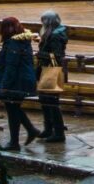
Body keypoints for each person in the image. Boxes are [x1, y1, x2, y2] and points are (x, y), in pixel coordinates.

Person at [0, 17, 42, 151]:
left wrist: (4, 86)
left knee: (13, 109)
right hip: (22, 80)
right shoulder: (22, 40)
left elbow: (11, 66)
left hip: (16, 82)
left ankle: (15, 142)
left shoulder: (13, 43)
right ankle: (30, 130)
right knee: (14, 108)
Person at [36, 10, 68, 142]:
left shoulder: (55, 36)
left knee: (51, 103)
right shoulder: (51, 33)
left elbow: (57, 55)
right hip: (47, 70)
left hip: (52, 71)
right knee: (45, 101)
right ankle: (48, 128)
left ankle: (59, 132)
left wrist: (39, 55)